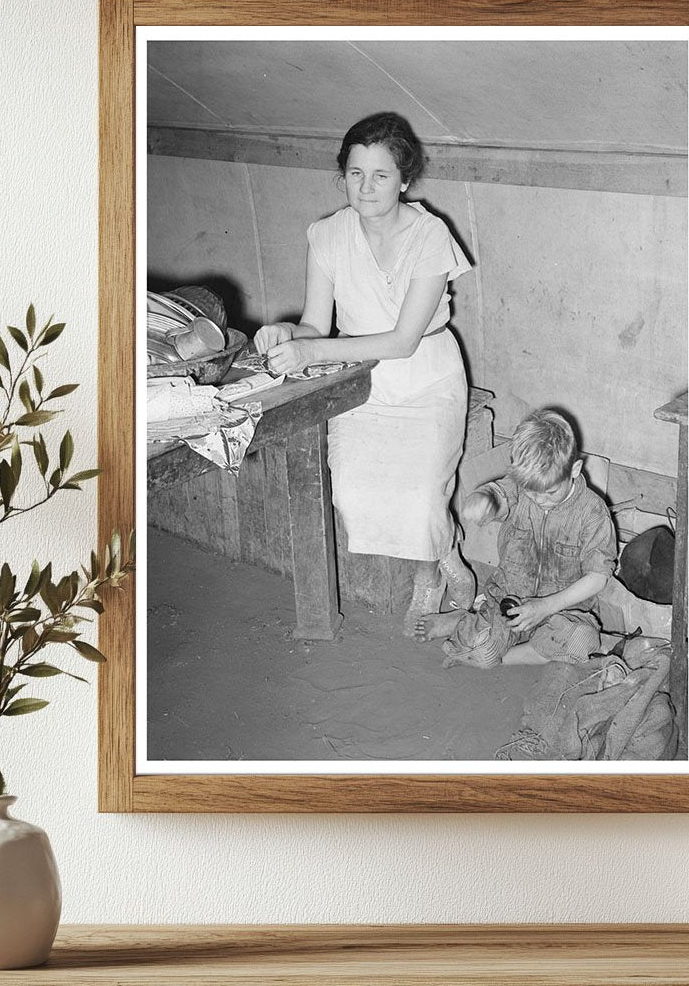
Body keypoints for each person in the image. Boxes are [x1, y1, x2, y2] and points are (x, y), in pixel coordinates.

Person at [253, 112, 475, 634]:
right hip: (361, 384)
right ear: (342, 176)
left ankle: (434, 575)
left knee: (422, 499)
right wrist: (288, 334)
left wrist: (312, 354)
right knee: (351, 493)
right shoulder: (327, 235)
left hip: (426, 379)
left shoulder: (430, 236)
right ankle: (446, 552)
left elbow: (402, 341)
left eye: (380, 176)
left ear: (404, 180)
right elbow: (314, 324)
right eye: (355, 174)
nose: (367, 187)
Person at [414, 407, 617, 666]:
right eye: (532, 492)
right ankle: (465, 622)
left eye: (550, 492)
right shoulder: (520, 488)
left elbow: (598, 578)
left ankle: (497, 655)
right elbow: (499, 495)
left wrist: (545, 607)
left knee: (581, 641)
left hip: (564, 610)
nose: (540, 500)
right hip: (507, 603)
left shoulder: (592, 512)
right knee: (481, 649)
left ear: (575, 470)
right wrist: (483, 501)